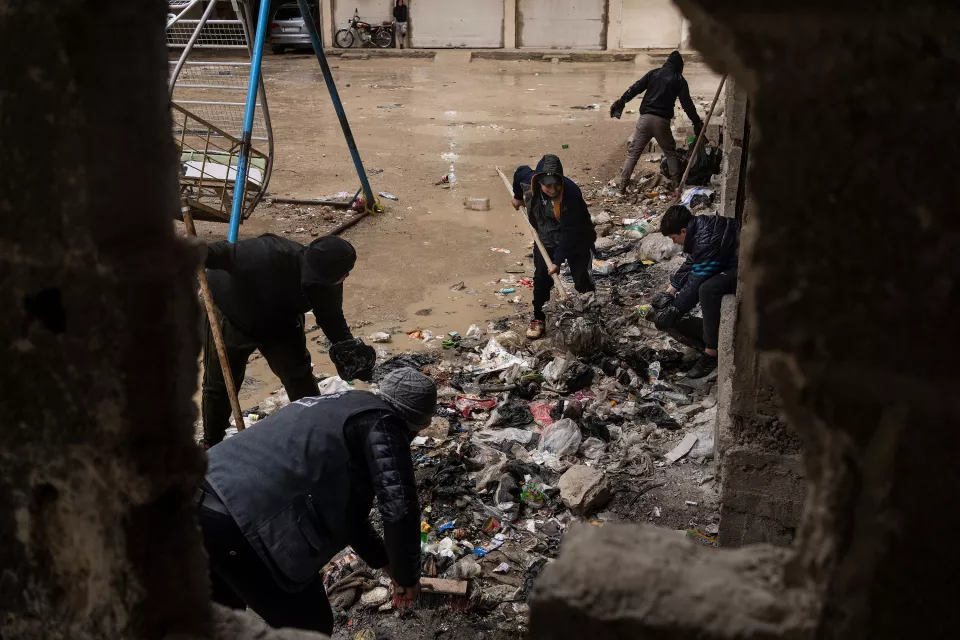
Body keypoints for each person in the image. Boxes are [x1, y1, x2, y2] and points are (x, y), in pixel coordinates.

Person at [197, 367, 435, 635]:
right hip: (236, 520)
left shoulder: (342, 404)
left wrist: (389, 566)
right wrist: (408, 576)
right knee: (310, 626)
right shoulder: (385, 423)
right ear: (414, 423)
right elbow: (400, 509)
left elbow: (351, 518)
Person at [200, 234, 376, 448]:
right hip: (231, 313)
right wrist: (200, 252)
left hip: (281, 322)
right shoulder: (267, 252)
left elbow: (332, 319)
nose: (346, 277)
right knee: (220, 386)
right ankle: (212, 443)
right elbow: (222, 252)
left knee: (299, 377)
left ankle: (316, 432)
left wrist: (348, 350)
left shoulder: (329, 281)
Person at [512, 154, 596, 340]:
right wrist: (517, 197)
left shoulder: (571, 194)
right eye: (547, 185)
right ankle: (538, 318)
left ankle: (590, 311)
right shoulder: (529, 179)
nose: (552, 189)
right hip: (545, 236)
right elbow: (519, 172)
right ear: (539, 180)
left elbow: (569, 232)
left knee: (581, 277)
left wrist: (557, 261)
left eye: (556, 185)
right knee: (541, 277)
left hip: (576, 236)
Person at [650, 205, 740, 378]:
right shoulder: (701, 229)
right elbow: (691, 264)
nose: (673, 242)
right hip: (733, 262)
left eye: (673, 237)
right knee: (702, 285)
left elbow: (696, 281)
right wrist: (669, 292)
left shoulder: (706, 240)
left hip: (748, 267)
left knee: (707, 290)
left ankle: (711, 353)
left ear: (683, 231)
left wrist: (674, 310)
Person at [610, 50, 704, 194]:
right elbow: (687, 105)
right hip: (662, 122)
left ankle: (622, 187)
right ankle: (676, 184)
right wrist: (696, 121)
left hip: (644, 120)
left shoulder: (653, 73)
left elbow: (635, 88)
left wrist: (622, 101)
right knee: (670, 152)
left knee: (633, 154)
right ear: (680, 66)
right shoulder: (679, 79)